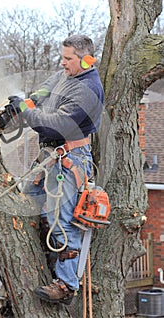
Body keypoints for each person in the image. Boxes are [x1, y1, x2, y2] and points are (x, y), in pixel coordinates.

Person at [8, 34, 104, 305]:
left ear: (86, 59)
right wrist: (24, 104)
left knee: (62, 221)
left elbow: (56, 125)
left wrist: (26, 114)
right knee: (27, 204)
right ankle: (43, 259)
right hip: (50, 155)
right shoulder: (66, 76)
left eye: (67, 58)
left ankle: (66, 285)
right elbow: (44, 91)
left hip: (70, 156)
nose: (62, 63)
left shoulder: (87, 90)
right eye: (61, 57)